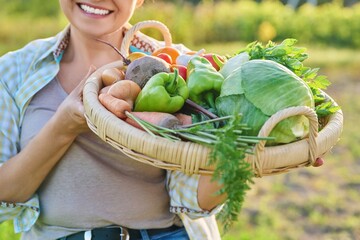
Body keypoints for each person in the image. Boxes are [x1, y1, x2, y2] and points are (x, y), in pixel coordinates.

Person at [0, 1, 325, 240]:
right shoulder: (14, 71)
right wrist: (66, 123)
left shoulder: (182, 66)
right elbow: (5, 192)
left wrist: (257, 150)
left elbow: (188, 196)